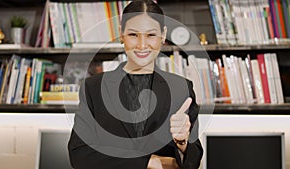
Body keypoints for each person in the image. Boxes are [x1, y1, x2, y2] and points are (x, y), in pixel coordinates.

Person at [68, 0, 203, 169]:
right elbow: (80, 154)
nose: (142, 45)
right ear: (121, 34)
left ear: (163, 35)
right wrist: (149, 162)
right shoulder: (93, 88)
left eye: (151, 35)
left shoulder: (181, 89)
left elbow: (194, 160)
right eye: (133, 35)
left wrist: (182, 142)